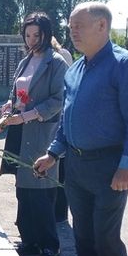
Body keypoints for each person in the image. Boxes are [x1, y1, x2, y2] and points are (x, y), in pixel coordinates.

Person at [33, 2, 128, 256]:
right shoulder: (76, 69)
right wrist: (53, 153)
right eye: (71, 25)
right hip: (77, 165)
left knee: (106, 239)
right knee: (83, 236)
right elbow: (66, 120)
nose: (72, 31)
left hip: (109, 167)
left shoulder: (126, 65)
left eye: (79, 25)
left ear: (102, 26)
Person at [0, 12, 68, 256]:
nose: (31, 39)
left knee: (41, 188)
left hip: (40, 132)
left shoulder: (57, 63)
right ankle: (29, 240)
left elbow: (59, 100)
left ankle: (50, 245)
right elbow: (15, 94)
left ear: (47, 34)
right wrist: (7, 109)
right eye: (27, 35)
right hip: (19, 130)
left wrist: (27, 116)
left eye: (37, 34)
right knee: (23, 190)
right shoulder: (25, 61)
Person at [51, 35, 73, 223]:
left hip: (59, 118)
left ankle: (60, 212)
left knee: (61, 167)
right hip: (56, 120)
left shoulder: (62, 57)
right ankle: (58, 212)